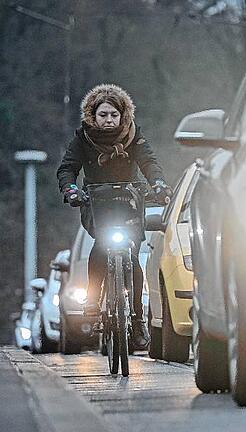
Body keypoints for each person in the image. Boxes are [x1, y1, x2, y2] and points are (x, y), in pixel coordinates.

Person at [57, 83, 171, 350]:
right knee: (100, 247)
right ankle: (93, 300)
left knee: (131, 257)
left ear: (123, 116)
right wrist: (71, 189)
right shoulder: (83, 139)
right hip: (97, 204)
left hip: (128, 203)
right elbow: (67, 168)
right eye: (103, 115)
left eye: (114, 115)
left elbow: (149, 162)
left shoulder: (133, 136)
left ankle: (138, 319)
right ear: (92, 116)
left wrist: (158, 183)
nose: (109, 120)